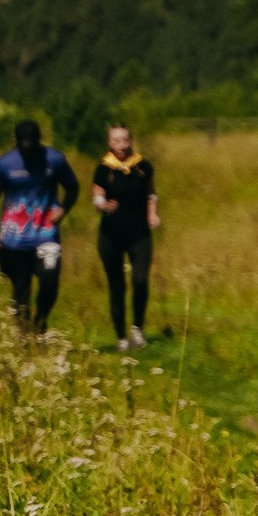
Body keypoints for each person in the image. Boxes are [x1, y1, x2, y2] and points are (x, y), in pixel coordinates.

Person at [0, 119, 77, 332]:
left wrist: (63, 209)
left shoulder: (55, 160)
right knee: (20, 290)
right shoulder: (4, 164)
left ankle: (40, 321)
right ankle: (25, 337)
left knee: (49, 282)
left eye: (33, 146)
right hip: (14, 240)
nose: (29, 152)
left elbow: (72, 187)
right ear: (15, 141)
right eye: (25, 147)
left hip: (46, 235)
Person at [91, 124, 159, 353]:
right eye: (116, 141)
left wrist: (152, 214)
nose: (121, 145)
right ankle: (121, 337)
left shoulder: (142, 166)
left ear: (130, 141)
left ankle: (137, 329)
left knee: (140, 280)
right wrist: (103, 205)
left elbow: (151, 193)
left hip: (139, 234)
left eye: (125, 140)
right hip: (111, 235)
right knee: (116, 285)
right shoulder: (104, 169)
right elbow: (97, 196)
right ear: (110, 143)